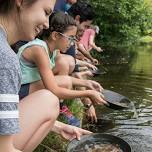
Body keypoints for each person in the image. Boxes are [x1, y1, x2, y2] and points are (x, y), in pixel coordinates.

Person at [0, 1, 92, 152]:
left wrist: (58, 126)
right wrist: (88, 92)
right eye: (46, 12)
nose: (47, 24)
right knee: (49, 99)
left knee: (49, 101)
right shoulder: (6, 59)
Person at [17, 12, 107, 126]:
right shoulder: (38, 49)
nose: (72, 43)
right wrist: (88, 93)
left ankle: (59, 107)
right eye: (70, 38)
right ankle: (56, 109)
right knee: (63, 83)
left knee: (64, 70)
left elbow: (66, 77)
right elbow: (55, 89)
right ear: (55, 35)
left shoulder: (53, 49)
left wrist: (87, 83)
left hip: (27, 86)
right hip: (17, 92)